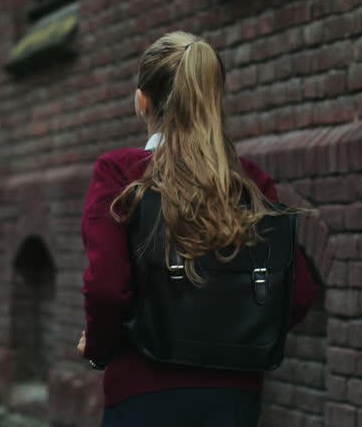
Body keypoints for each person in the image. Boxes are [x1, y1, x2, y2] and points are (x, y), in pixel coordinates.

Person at [78, 31, 319, 427]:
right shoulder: (249, 182)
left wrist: (100, 347)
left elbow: (106, 287)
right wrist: (234, 340)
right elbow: (299, 292)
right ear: (212, 99)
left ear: (143, 100)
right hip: (234, 398)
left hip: (143, 392)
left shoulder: (120, 172)